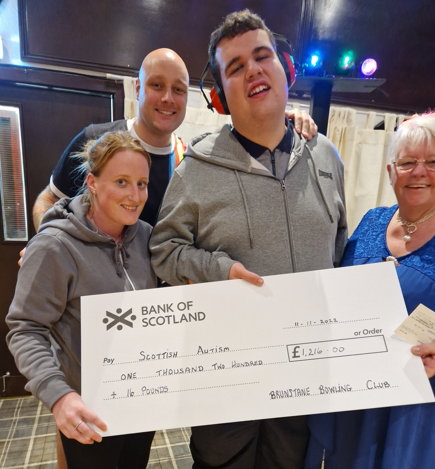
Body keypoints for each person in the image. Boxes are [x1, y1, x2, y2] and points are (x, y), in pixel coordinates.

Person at [149, 10, 347, 469]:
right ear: (219, 96)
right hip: (226, 380)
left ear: (287, 71)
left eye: (263, 57)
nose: (253, 70)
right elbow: (164, 251)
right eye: (235, 67)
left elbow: (339, 247)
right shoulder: (195, 169)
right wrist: (220, 271)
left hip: (302, 380)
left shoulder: (326, 156)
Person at [30, 50, 317, 234]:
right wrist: (48, 245)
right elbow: (48, 199)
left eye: (178, 89)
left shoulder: (189, 159)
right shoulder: (94, 139)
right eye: (157, 85)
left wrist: (279, 119)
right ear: (139, 88)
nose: (168, 98)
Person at [7, 131, 157, 469]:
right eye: (121, 181)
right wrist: (58, 397)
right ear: (92, 182)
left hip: (142, 400)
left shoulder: (147, 237)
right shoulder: (55, 246)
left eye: (142, 184)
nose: (135, 195)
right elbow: (25, 329)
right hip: (89, 407)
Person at [305, 113, 435, 469]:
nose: (420, 172)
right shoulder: (372, 220)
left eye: (433, 162)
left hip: (415, 409)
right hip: (354, 396)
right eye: (408, 162)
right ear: (391, 172)